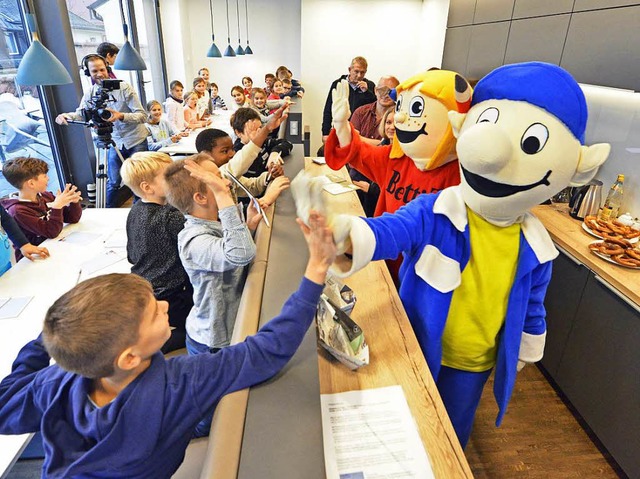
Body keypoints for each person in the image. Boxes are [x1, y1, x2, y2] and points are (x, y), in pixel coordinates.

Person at [298, 61, 611, 448]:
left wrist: (525, 345)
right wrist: (346, 234)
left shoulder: (537, 247)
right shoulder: (438, 209)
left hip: (474, 363)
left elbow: (533, 304)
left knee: (451, 434)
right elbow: (392, 229)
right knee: (409, 424)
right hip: (419, 341)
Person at [0, 210, 336, 477]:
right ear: (130, 357)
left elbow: (5, 408)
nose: (164, 306)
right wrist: (316, 271)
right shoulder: (183, 382)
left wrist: (50, 336)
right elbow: (268, 349)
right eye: (154, 313)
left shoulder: (55, 382)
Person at [55, 54, 148, 208]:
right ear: (88, 73)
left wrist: (121, 116)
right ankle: (107, 211)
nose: (99, 74)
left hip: (135, 139)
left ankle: (139, 213)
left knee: (139, 180)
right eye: (94, 71)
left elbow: (142, 115)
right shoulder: (91, 93)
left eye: (101, 69)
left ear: (107, 68)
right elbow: (81, 113)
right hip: (112, 141)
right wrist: (65, 116)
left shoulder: (124, 87)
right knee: (113, 181)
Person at [120, 151, 192, 353]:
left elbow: (131, 255)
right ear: (147, 187)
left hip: (144, 289)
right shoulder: (170, 216)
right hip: (172, 294)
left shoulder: (135, 211)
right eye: (169, 176)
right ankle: (163, 341)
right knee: (205, 325)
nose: (177, 179)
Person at [0, 157, 82, 261]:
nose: (48, 178)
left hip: (54, 248)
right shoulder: (18, 211)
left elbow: (72, 219)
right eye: (44, 176)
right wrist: (57, 207)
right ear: (31, 183)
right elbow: (51, 232)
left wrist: (74, 202)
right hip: (36, 258)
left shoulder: (45, 196)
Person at [195, 123, 289, 209]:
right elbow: (237, 165)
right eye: (224, 151)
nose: (232, 154)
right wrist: (266, 199)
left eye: (232, 149)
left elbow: (252, 186)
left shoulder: (228, 176)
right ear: (205, 155)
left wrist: (269, 176)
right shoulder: (210, 180)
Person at [321, 56, 376, 142]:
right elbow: (328, 109)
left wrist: (367, 92)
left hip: (361, 132)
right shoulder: (337, 84)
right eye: (356, 71)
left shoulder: (370, 86)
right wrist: (325, 133)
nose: (359, 75)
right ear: (350, 69)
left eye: (362, 72)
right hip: (340, 129)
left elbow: (375, 109)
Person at [231, 107, 293, 178]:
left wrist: (274, 153)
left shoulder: (264, 142)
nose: (259, 132)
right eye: (252, 129)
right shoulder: (238, 154)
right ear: (238, 133)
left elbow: (287, 143)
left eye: (260, 127)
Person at [350, 75, 399, 145]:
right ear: (375, 91)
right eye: (382, 90)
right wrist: (380, 143)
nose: (385, 95)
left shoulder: (400, 117)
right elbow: (350, 138)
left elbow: (393, 145)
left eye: (390, 92)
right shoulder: (360, 112)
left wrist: (360, 139)